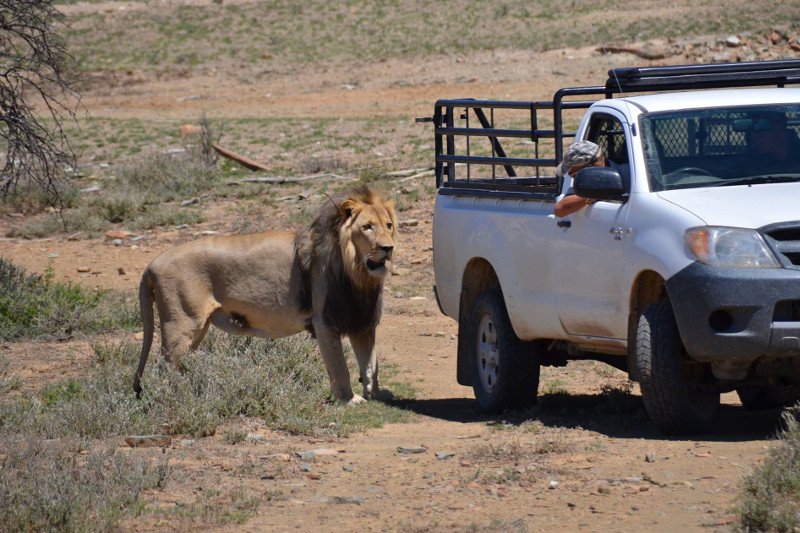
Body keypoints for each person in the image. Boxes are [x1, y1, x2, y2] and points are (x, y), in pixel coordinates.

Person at [554, 140, 627, 217]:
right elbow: (560, 209)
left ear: (590, 168)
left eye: (576, 175)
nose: (575, 179)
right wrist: (593, 195)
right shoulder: (584, 188)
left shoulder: (628, 175)